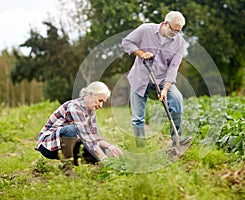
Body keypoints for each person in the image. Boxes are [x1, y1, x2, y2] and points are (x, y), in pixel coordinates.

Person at [122, 11, 192, 147]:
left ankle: (177, 140)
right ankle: (140, 148)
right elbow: (127, 42)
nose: (176, 34)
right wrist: (141, 53)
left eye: (179, 31)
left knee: (177, 99)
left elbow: (173, 68)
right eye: (174, 30)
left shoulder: (179, 43)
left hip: (161, 79)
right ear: (165, 24)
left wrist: (165, 89)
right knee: (138, 117)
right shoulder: (145, 29)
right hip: (140, 77)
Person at [35, 81, 123, 176]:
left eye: (103, 102)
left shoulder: (91, 111)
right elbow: (86, 137)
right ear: (90, 94)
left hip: (64, 145)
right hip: (48, 145)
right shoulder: (74, 107)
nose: (101, 105)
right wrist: (103, 157)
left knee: (100, 147)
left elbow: (93, 137)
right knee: (71, 130)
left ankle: (102, 169)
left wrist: (110, 147)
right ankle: (67, 168)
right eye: (100, 100)